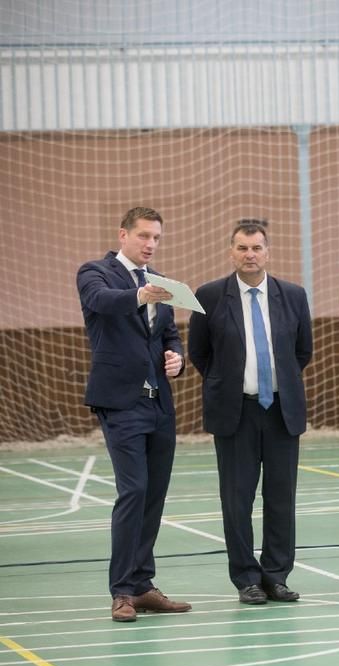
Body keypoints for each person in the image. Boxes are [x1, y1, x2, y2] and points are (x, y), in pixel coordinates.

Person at [188, 221, 313, 605]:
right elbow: (199, 353)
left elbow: (302, 351)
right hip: (235, 413)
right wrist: (228, 384)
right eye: (242, 248)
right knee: (237, 500)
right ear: (231, 252)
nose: (250, 255)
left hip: (281, 412)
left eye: (256, 247)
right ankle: (246, 578)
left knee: (280, 499)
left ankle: (276, 575)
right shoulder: (209, 296)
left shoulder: (292, 295)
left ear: (267, 252)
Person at [77, 207, 192, 622]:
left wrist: (177, 357)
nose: (150, 244)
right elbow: (100, 303)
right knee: (134, 490)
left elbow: (169, 334)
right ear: (123, 234)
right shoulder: (95, 272)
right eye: (143, 236)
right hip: (121, 403)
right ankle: (122, 591)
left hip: (159, 403)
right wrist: (139, 295)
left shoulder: (161, 284)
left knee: (154, 495)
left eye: (157, 238)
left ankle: (143, 585)